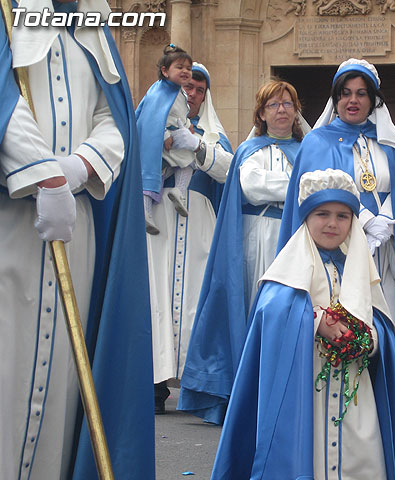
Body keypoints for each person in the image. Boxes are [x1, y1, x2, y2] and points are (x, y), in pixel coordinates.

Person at [0, 4, 154, 479]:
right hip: (16, 216)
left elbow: (114, 118)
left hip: (76, 220)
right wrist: (42, 177)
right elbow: (6, 103)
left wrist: (78, 168)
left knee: (66, 374)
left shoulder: (94, 28)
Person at [278, 58, 395, 453]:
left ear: (373, 100)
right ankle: (351, 415)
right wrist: (364, 221)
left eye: (361, 94)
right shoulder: (317, 142)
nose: (353, 101)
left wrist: (388, 220)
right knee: (347, 321)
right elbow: (312, 200)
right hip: (338, 255)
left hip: (388, 252)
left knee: (390, 323)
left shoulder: (388, 143)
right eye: (345, 94)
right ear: (335, 98)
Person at [210, 169, 395, 479]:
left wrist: (362, 338)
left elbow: (381, 326)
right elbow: (273, 315)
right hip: (304, 395)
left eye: (343, 216)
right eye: (323, 214)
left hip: (354, 397)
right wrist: (316, 321)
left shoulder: (359, 272)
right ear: (306, 217)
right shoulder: (287, 270)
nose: (332, 223)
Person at [179, 79, 307, 423]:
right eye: (274, 105)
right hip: (256, 237)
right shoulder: (250, 151)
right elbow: (251, 186)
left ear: (295, 111)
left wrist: (289, 187)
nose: (281, 110)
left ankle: (282, 392)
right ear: (261, 114)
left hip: (293, 237)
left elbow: (313, 188)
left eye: (287, 104)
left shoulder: (306, 151)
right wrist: (297, 186)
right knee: (253, 307)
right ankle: (247, 393)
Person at [142, 63, 234, 414]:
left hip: (198, 224)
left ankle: (202, 385)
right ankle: (153, 385)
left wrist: (197, 146)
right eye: (187, 87)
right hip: (158, 222)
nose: (191, 94)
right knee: (157, 297)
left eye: (199, 88)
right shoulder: (152, 127)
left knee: (197, 300)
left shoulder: (213, 136)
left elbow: (229, 170)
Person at [137, 44, 198, 234]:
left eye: (188, 68)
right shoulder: (160, 91)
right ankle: (147, 212)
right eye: (179, 67)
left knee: (185, 161)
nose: (186, 71)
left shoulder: (178, 91)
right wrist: (162, 134)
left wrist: (187, 125)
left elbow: (177, 114)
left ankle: (178, 192)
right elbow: (152, 115)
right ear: (165, 71)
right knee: (152, 172)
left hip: (171, 138)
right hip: (157, 140)